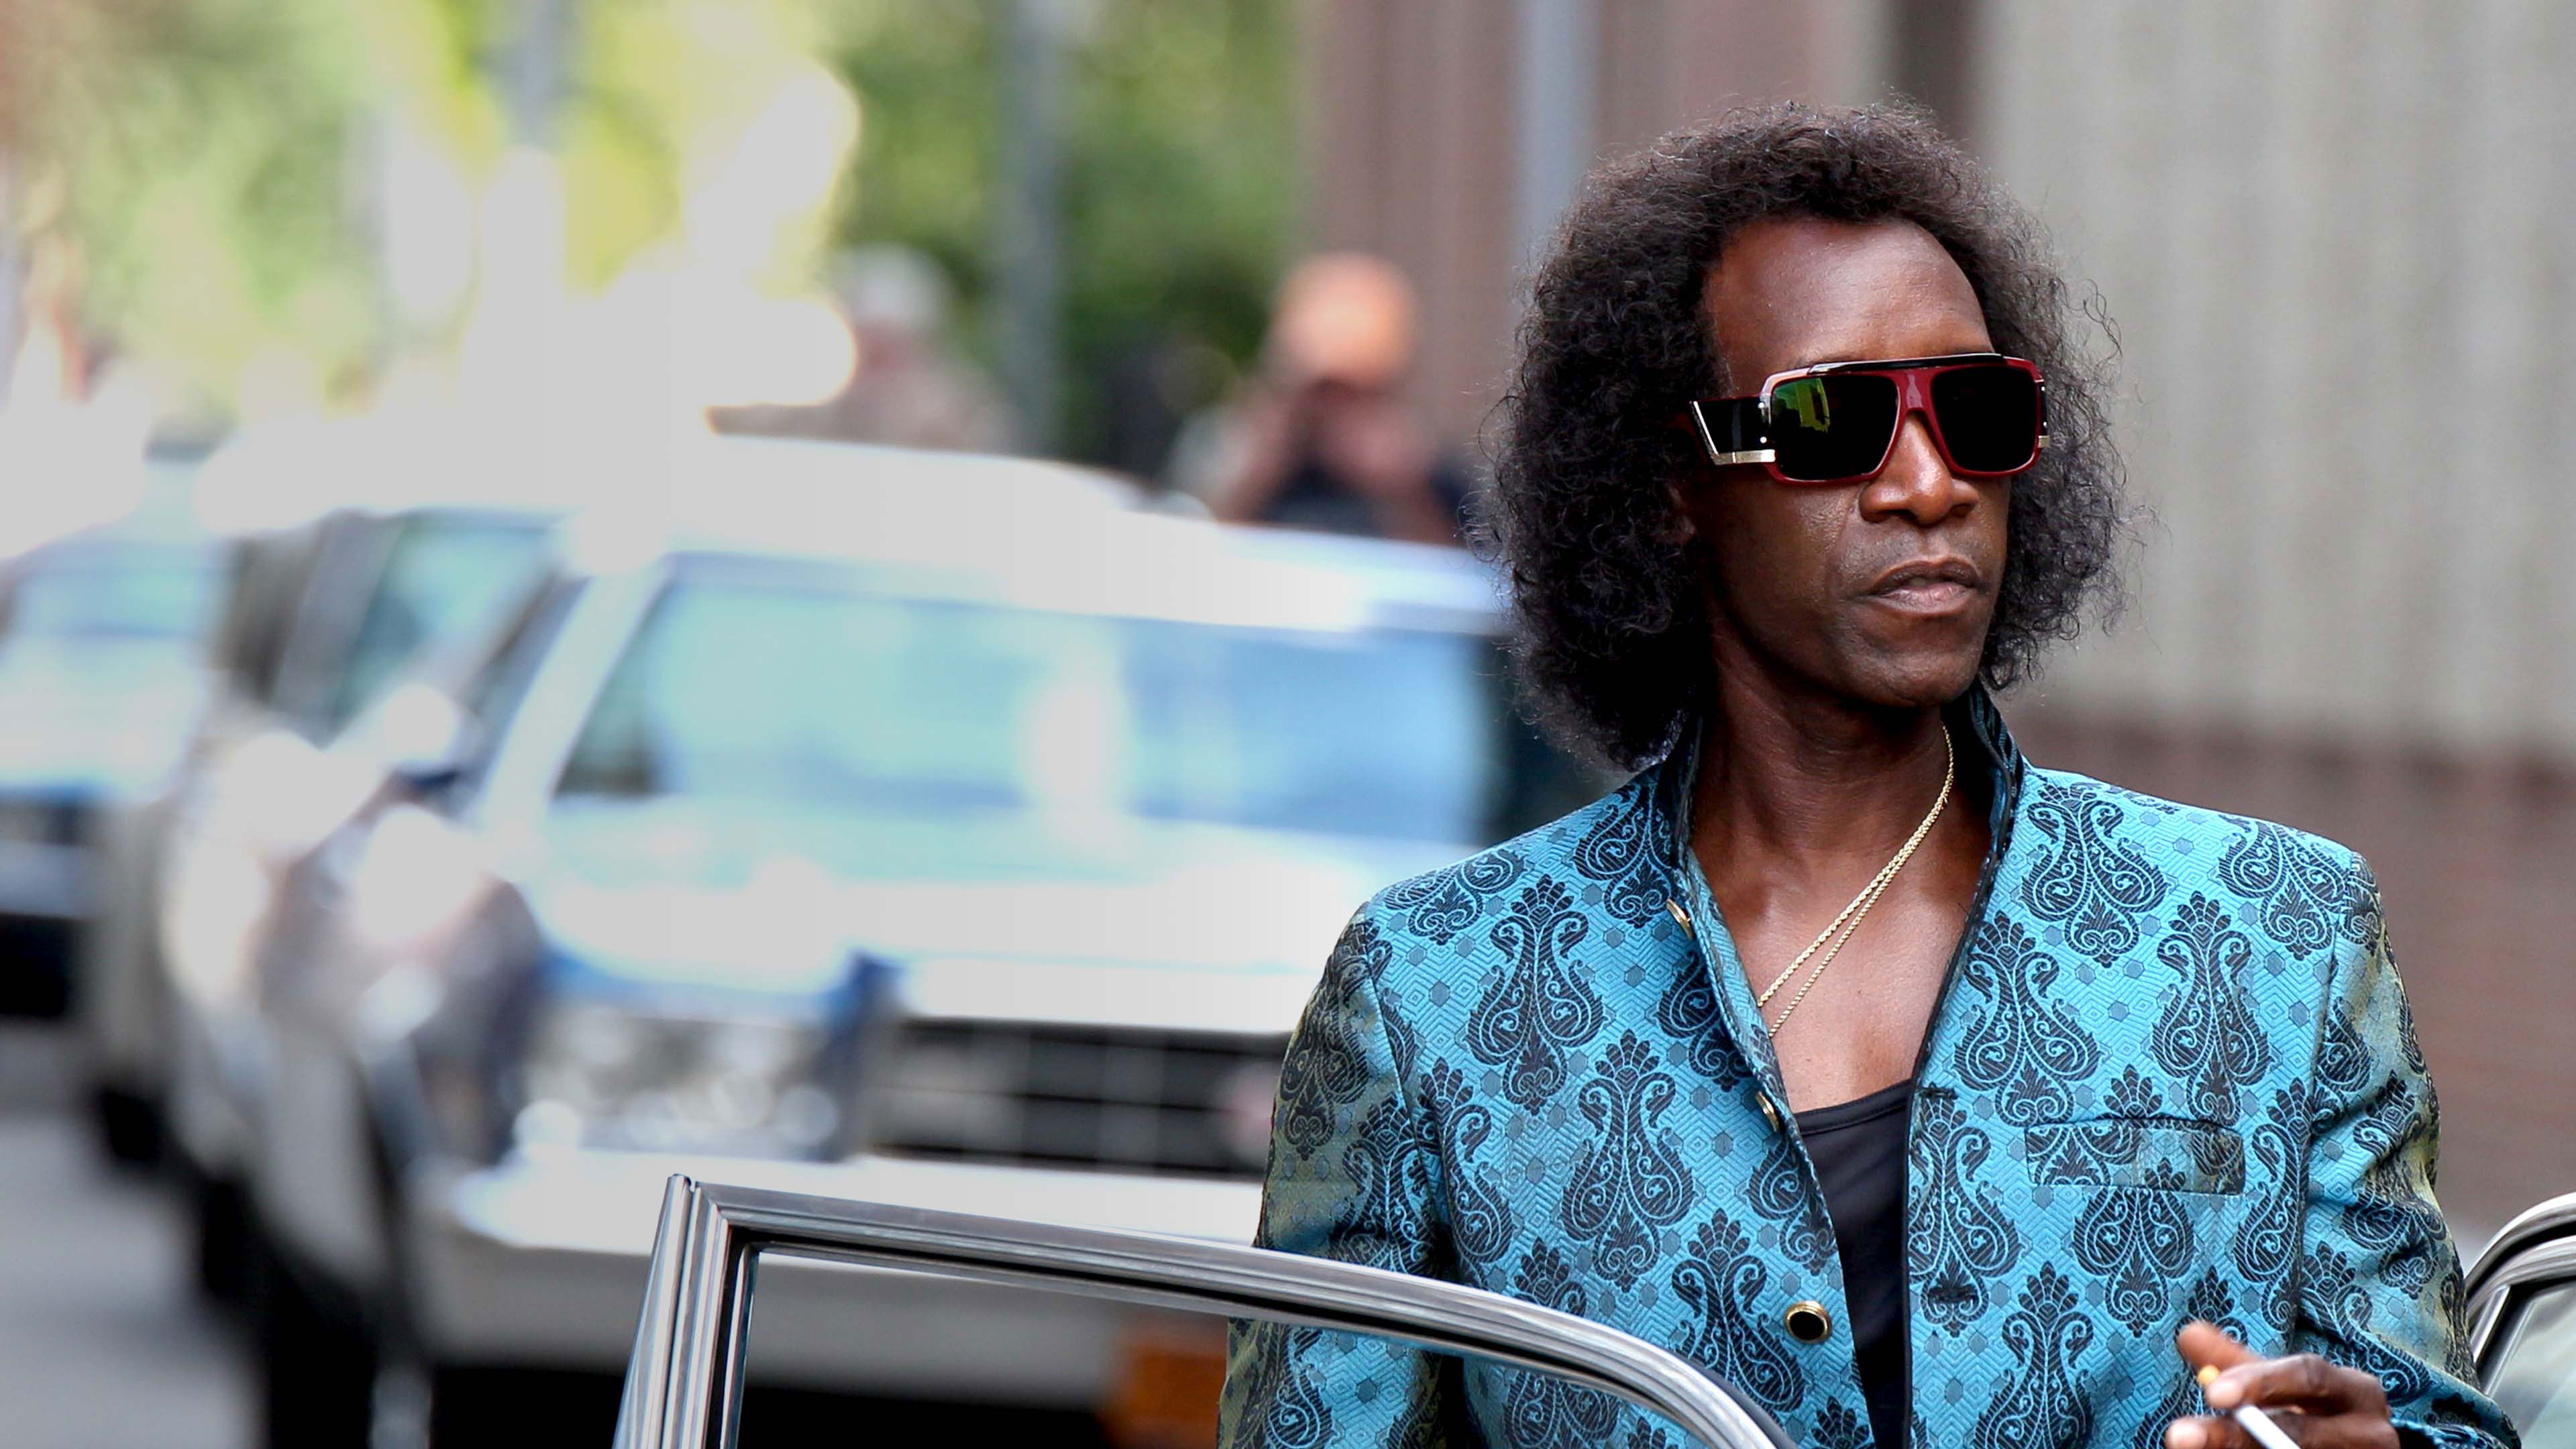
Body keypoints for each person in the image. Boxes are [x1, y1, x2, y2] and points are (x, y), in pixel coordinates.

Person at [1220, 104, 2512, 1449]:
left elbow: (2435, 1424)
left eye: (1977, 411)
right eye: (1832, 422)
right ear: (1672, 484)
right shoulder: (1434, 993)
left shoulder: (2275, 938)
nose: (1929, 484)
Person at [1169, 252, 1471, 545]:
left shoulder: (1427, 475)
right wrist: (1260, 470)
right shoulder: (1235, 448)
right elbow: (1203, 543)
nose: (1334, 407)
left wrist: (1403, 490)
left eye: (1352, 393)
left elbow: (1452, 564)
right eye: (1321, 390)